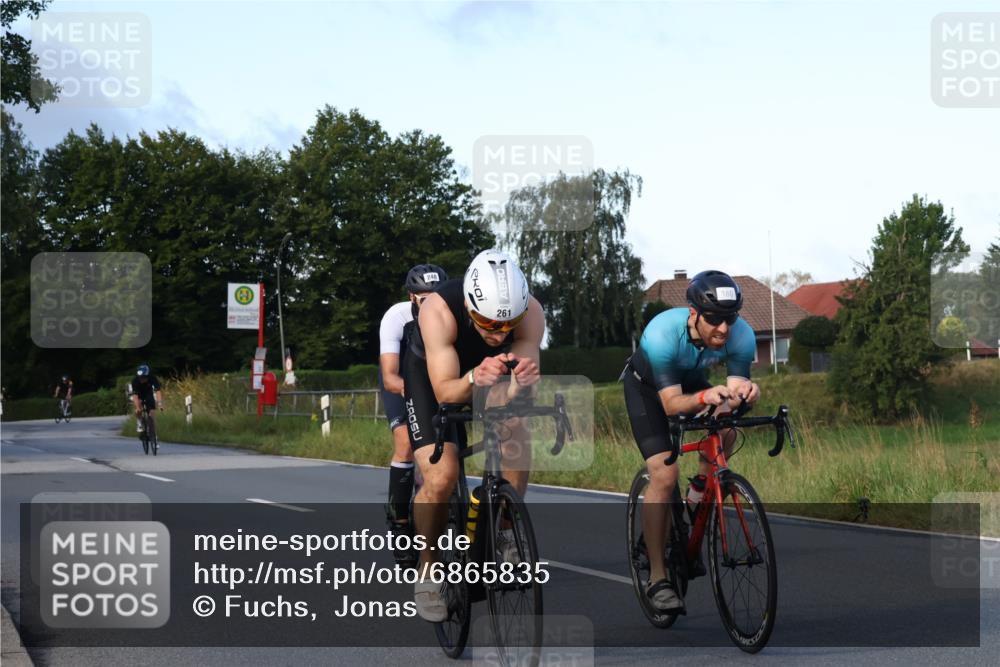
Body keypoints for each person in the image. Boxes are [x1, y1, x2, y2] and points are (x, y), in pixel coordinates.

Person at [403, 249, 545, 621]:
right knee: (442, 475)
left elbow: (520, 395)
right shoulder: (437, 311)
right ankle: (429, 567)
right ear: (469, 305)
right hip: (435, 376)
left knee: (517, 428)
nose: (498, 336)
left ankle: (505, 530)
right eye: (486, 323)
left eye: (506, 325)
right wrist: (472, 378)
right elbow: (446, 393)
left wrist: (518, 388)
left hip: (488, 374)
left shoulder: (531, 313)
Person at [624, 270, 760, 612]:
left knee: (726, 427)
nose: (723, 329)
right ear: (694, 313)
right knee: (664, 474)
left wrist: (746, 394)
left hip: (689, 383)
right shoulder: (661, 333)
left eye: (729, 319)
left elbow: (734, 392)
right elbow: (670, 404)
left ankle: (698, 491)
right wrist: (705, 398)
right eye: (714, 320)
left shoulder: (741, 335)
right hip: (648, 390)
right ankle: (658, 579)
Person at [378, 263, 447, 566]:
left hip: (437, 380)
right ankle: (401, 520)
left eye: (437, 296)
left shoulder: (450, 314)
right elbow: (390, 375)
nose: (431, 302)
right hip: (401, 381)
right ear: (411, 297)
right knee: (405, 441)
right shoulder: (396, 317)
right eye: (424, 297)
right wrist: (414, 394)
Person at [131, 364, 164, 432]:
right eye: (140, 377)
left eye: (143, 377)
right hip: (139, 394)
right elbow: (135, 396)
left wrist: (160, 403)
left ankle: (153, 431)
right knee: (138, 408)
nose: (141, 379)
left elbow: (157, 391)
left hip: (148, 393)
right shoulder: (135, 381)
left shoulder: (153, 378)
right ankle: (139, 422)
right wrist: (137, 408)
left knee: (151, 411)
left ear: (147, 375)